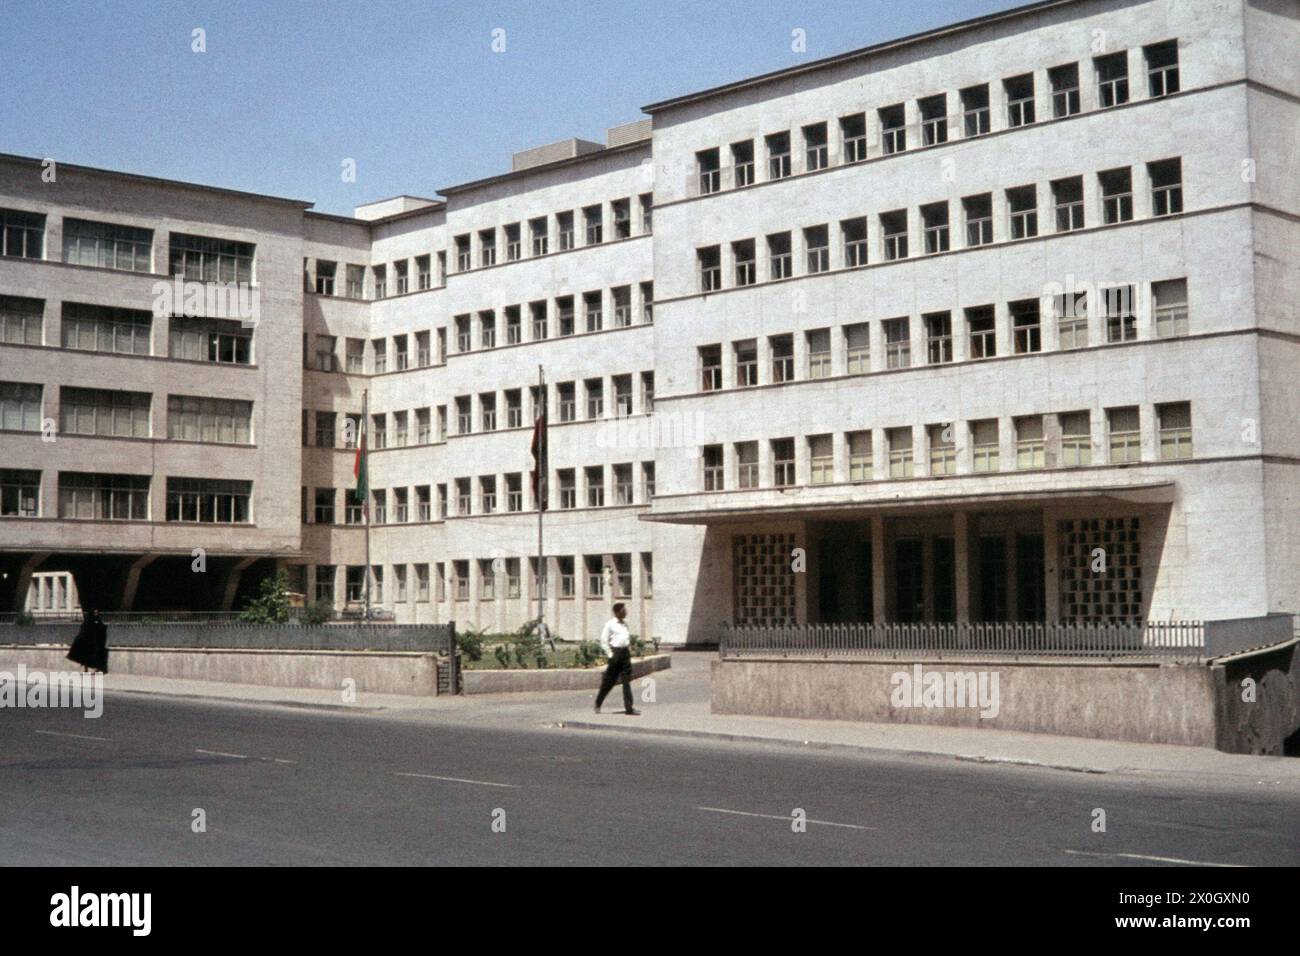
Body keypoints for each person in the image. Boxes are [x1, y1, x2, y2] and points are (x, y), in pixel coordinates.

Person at [594, 602, 639, 715]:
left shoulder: (625, 624)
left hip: (625, 654)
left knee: (626, 681)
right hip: (616, 654)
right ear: (618, 612)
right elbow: (604, 641)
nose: (626, 612)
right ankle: (598, 703)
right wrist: (610, 654)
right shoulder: (610, 624)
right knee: (609, 681)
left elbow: (625, 639)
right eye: (624, 610)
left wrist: (629, 647)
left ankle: (629, 708)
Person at [67, 608, 109, 674]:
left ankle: (95, 669)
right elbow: (84, 631)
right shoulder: (88, 621)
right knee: (86, 657)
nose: (96, 614)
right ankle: (86, 669)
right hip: (87, 642)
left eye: (97, 613)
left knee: (94, 656)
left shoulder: (98, 621)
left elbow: (101, 629)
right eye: (95, 613)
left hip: (95, 643)